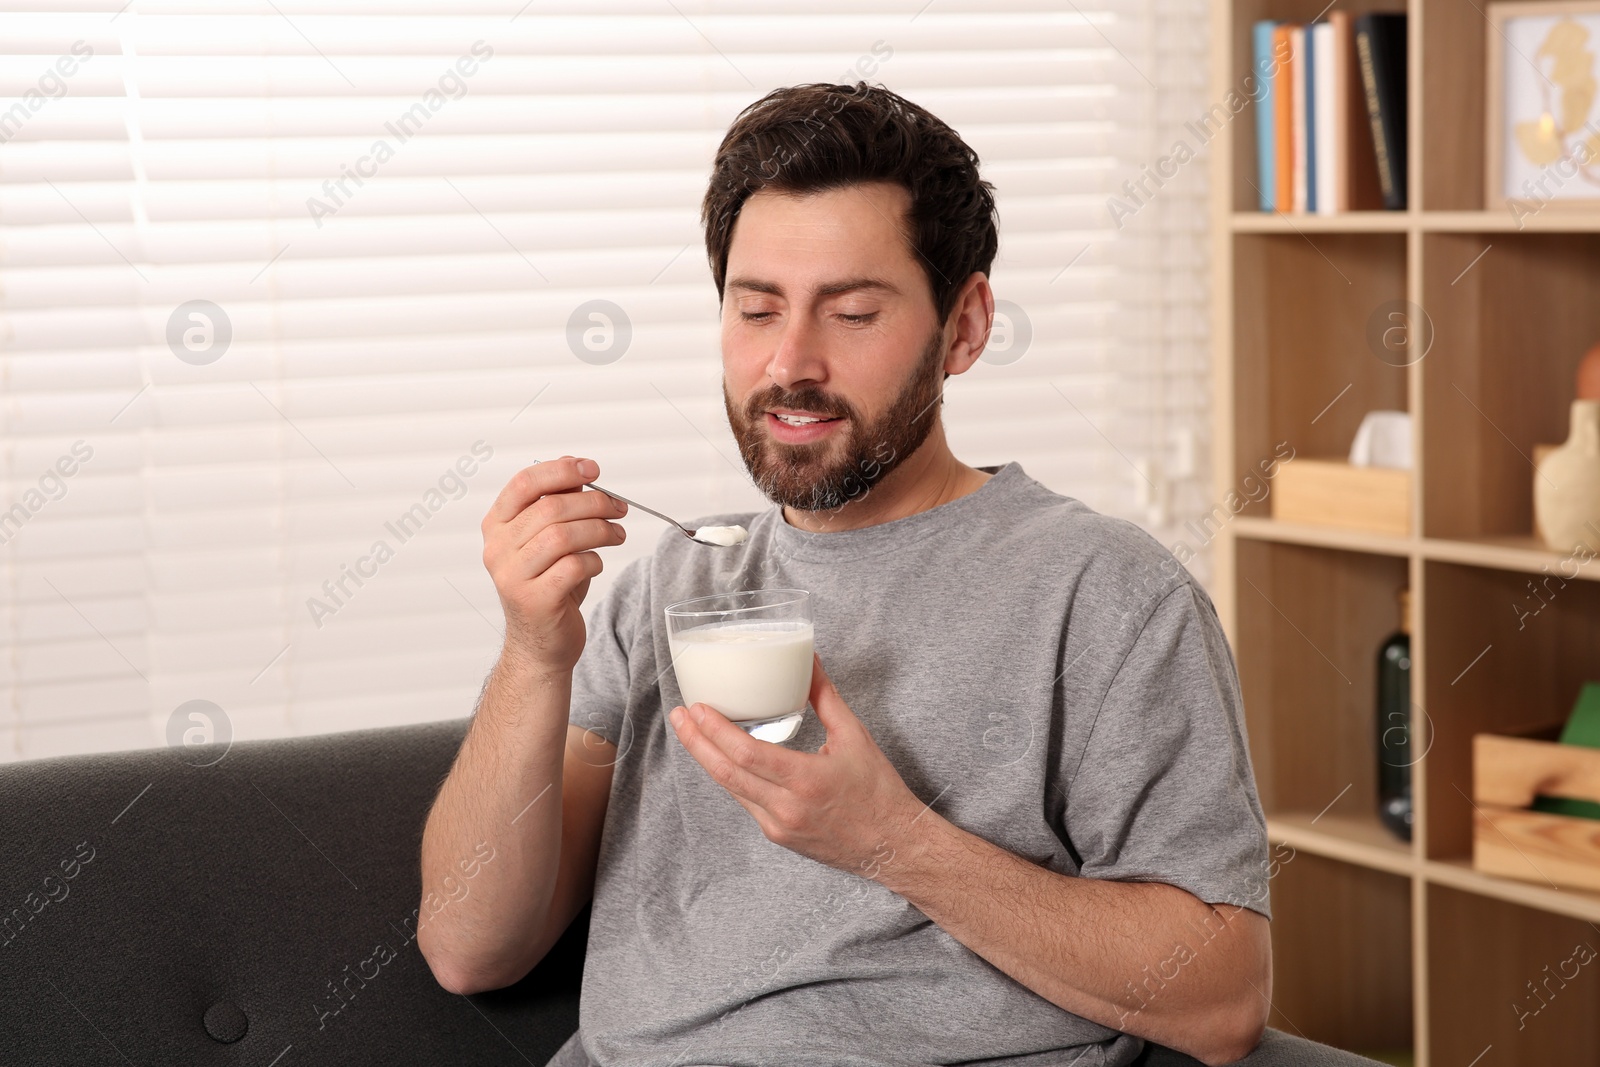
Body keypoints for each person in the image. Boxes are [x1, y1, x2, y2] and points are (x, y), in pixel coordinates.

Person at [418, 82, 1274, 1067]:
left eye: (854, 312)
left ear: (964, 326)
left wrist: (888, 839)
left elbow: (1222, 997)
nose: (790, 362)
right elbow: (468, 947)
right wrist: (534, 650)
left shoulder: (1105, 592)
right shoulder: (672, 582)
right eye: (756, 308)